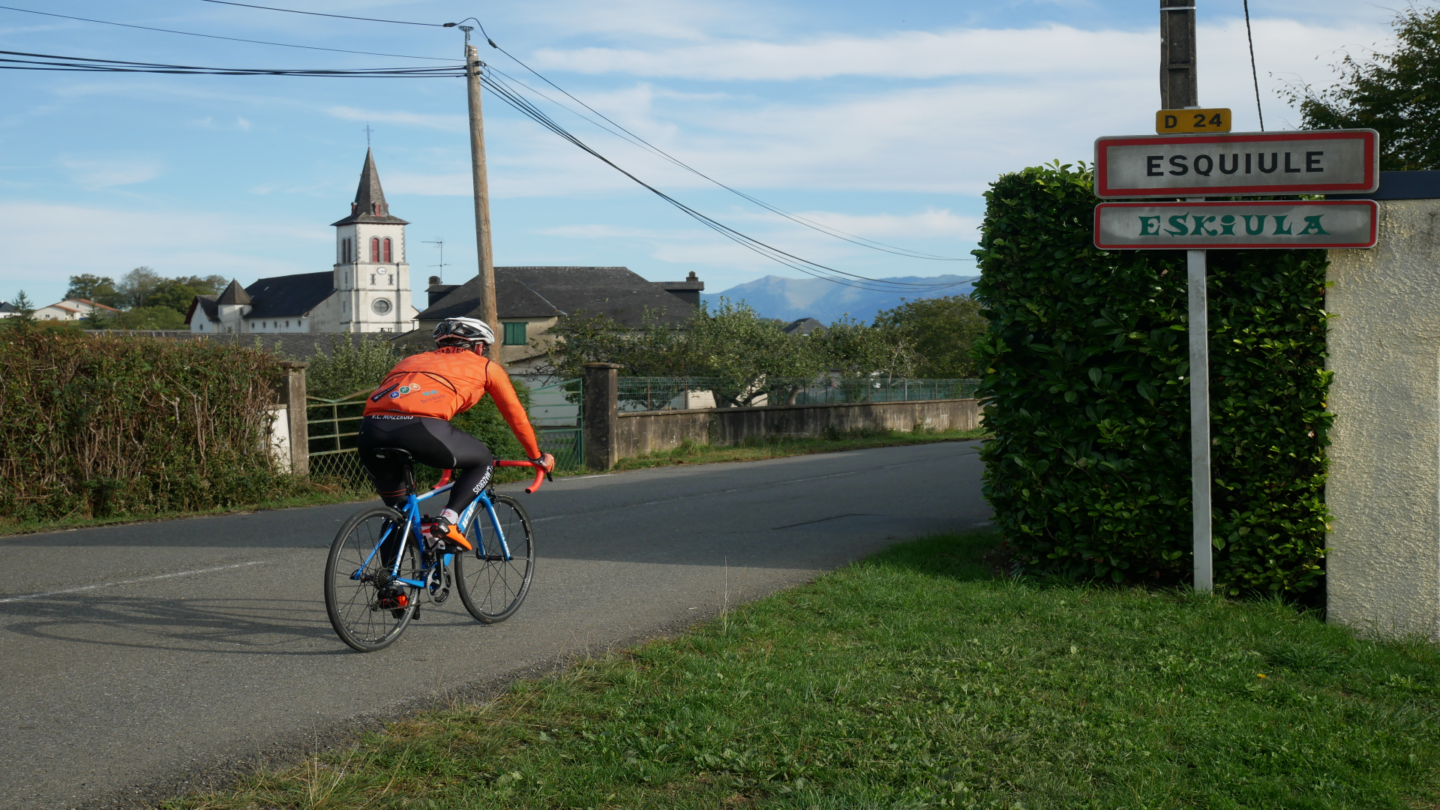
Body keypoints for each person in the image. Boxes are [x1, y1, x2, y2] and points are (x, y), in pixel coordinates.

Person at [357, 317, 554, 552]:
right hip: (423, 428)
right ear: (480, 347)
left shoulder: (409, 360)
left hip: (371, 430)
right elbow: (516, 415)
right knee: (482, 460)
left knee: (398, 514)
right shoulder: (486, 367)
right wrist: (536, 456)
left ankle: (392, 587)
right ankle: (447, 521)